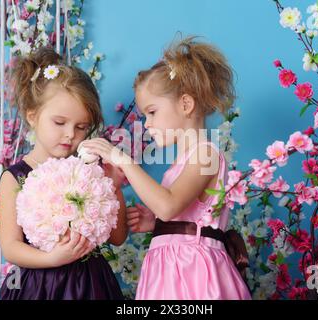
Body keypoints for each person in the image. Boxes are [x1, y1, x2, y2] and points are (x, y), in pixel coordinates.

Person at [80, 36, 251, 300]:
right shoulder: (182, 162)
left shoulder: (206, 153)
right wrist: (160, 223)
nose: (146, 124)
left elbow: (168, 205)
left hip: (193, 273)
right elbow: (177, 212)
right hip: (172, 268)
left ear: (185, 104)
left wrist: (123, 160)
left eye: (152, 112)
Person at [0, 47, 127, 300]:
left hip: (89, 284)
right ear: (33, 116)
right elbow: (11, 247)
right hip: (38, 285)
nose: (71, 134)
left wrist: (114, 187)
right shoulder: (14, 177)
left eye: (81, 127)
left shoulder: (90, 172)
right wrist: (51, 258)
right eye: (60, 123)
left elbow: (118, 237)